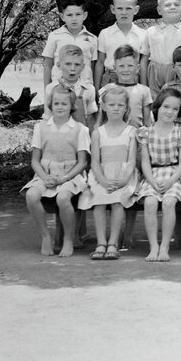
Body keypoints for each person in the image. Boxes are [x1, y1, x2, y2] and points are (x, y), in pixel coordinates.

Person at [23, 84, 90, 257]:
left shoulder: (80, 130)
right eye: (56, 103)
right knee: (31, 195)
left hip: (71, 175)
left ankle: (68, 239)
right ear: (50, 104)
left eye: (64, 104)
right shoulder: (41, 127)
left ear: (72, 106)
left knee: (63, 197)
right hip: (45, 173)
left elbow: (82, 163)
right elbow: (35, 161)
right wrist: (45, 177)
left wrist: (64, 179)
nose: (60, 107)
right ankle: (46, 236)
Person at [80, 85, 139, 261]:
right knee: (98, 199)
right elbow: (95, 162)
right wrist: (103, 180)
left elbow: (131, 161)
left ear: (126, 108)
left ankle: (113, 242)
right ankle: (101, 242)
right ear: (104, 107)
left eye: (120, 105)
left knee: (117, 200)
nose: (115, 108)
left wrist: (123, 180)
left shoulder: (131, 131)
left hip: (124, 176)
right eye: (111, 105)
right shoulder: (98, 132)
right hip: (102, 175)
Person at [136, 88, 181, 262]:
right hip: (153, 174)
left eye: (175, 109)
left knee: (168, 202)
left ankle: (165, 246)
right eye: (166, 106)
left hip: (174, 175)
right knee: (150, 203)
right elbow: (145, 161)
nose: (170, 112)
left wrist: (171, 181)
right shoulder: (146, 132)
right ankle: (154, 246)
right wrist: (151, 181)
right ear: (158, 107)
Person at [94, 0, 148, 88]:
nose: (124, 12)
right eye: (119, 8)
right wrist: (96, 89)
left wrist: (144, 88)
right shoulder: (105, 34)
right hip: (110, 79)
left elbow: (143, 64)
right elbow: (100, 62)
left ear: (136, 10)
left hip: (133, 79)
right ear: (113, 9)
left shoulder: (143, 35)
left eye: (128, 8)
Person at [145, 0, 181, 96]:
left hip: (177, 72)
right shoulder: (151, 31)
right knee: (154, 101)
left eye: (176, 4)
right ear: (159, 10)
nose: (172, 7)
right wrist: (144, 84)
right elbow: (144, 58)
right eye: (167, 5)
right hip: (154, 73)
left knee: (174, 98)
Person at [42, 0, 98, 88]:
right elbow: (48, 65)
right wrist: (47, 90)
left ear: (85, 15)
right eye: (69, 15)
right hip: (59, 90)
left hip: (83, 91)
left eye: (78, 14)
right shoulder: (54, 36)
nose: (74, 18)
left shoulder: (92, 39)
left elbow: (92, 66)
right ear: (62, 17)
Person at [43, 44, 98, 128]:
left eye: (77, 64)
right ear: (59, 65)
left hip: (81, 137)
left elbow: (91, 119)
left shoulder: (89, 89)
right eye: (68, 64)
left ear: (83, 67)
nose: (72, 68)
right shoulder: (50, 88)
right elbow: (47, 117)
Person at [102, 45, 152, 127]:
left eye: (130, 66)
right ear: (115, 68)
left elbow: (147, 122)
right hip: (112, 136)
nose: (126, 70)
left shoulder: (144, 91)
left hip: (137, 136)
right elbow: (102, 118)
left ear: (137, 68)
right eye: (121, 66)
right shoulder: (107, 89)